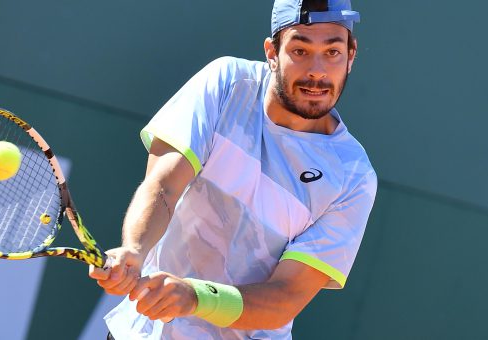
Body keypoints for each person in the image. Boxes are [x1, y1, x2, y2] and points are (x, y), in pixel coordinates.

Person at [89, 0, 377, 338]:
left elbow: (286, 297)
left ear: (351, 56)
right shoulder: (227, 83)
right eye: (300, 50)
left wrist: (195, 297)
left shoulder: (353, 176)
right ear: (272, 52)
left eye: (332, 53)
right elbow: (164, 184)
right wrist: (134, 249)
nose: (317, 70)